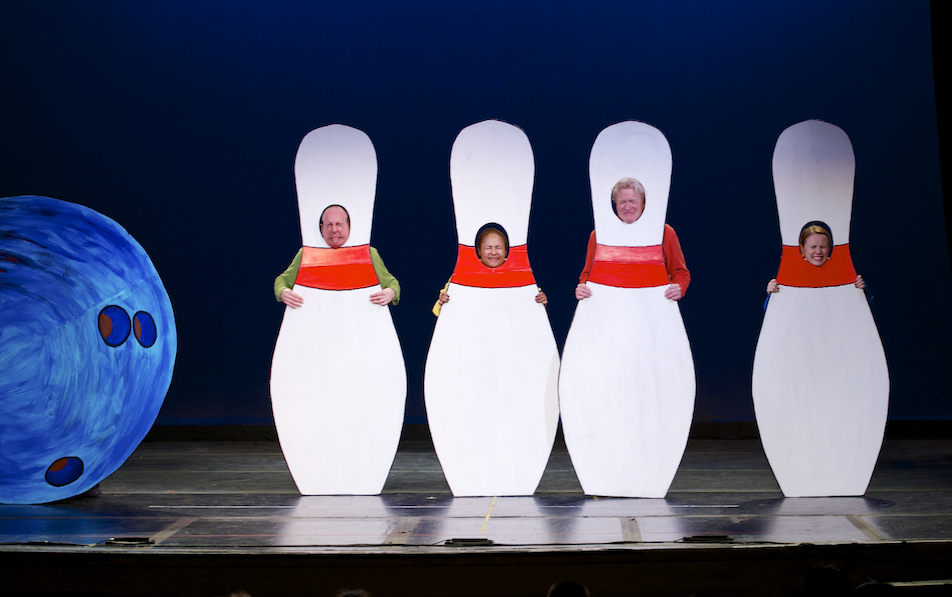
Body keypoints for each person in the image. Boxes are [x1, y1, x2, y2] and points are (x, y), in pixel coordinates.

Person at [575, 177, 689, 300]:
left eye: (632, 201)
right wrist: (583, 287)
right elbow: (587, 273)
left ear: (643, 203)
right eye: (622, 202)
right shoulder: (599, 235)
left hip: (652, 304)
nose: (627, 207)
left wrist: (679, 287)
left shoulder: (665, 232)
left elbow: (680, 272)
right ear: (616, 205)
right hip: (611, 304)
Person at [274, 205, 400, 308]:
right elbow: (282, 280)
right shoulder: (307, 254)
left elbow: (391, 283)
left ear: (348, 226)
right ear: (322, 228)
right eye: (329, 225)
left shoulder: (368, 253)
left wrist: (391, 292)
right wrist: (283, 292)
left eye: (339, 224)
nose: (334, 229)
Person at [433, 225, 546, 315]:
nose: (493, 252)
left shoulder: (519, 273)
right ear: (479, 251)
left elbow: (532, 301)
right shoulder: (464, 274)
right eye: (488, 247)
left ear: (506, 250)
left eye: (498, 247)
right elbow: (439, 310)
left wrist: (540, 301)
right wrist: (443, 303)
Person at [765, 222, 864, 293]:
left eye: (823, 247)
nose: (818, 252)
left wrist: (862, 290)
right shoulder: (790, 274)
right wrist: (772, 294)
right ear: (802, 248)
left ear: (829, 247)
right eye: (813, 247)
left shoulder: (843, 272)